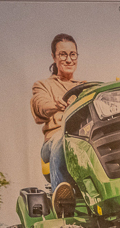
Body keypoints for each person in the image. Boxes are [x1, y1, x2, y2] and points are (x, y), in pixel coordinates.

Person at [32, 33, 78, 193]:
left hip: (83, 141)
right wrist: (55, 105)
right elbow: (40, 106)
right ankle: (61, 194)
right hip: (53, 144)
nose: (69, 59)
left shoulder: (85, 86)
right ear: (54, 57)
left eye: (72, 54)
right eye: (63, 54)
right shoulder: (43, 85)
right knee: (62, 137)